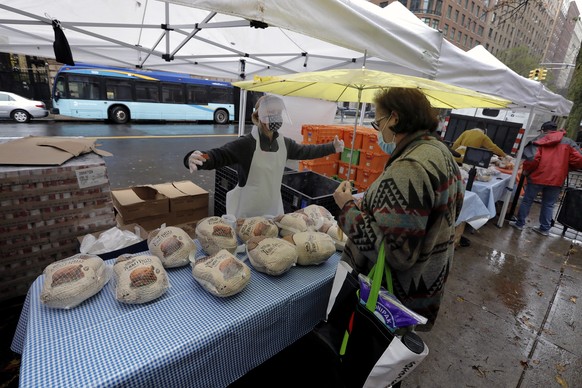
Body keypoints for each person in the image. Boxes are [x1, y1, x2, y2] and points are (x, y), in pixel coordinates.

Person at [333, 87, 465, 334]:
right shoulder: (440, 152)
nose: (378, 130)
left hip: (391, 298)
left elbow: (398, 254)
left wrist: (347, 207)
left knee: (370, 355)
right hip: (422, 285)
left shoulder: (410, 167)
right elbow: (431, 215)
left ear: (394, 118)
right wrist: (375, 208)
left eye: (378, 121)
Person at [184, 94, 344, 218]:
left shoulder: (285, 143)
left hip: (272, 212)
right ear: (258, 116)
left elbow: (307, 152)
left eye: (278, 112)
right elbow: (219, 155)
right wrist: (196, 157)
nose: (275, 116)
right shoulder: (246, 144)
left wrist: (331, 147)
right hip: (246, 215)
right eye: (270, 112)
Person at [510, 121, 582, 236]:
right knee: (548, 204)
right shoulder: (569, 142)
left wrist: (527, 170)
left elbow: (532, 159)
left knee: (527, 201)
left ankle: (519, 224)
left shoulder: (538, 140)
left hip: (537, 177)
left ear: (543, 130)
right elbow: (579, 160)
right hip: (557, 179)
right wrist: (567, 168)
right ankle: (544, 229)